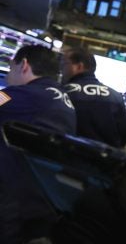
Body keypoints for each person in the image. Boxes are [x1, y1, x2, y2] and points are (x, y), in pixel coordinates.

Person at [0, 45, 76, 243]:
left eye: (11, 67)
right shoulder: (61, 97)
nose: (8, 75)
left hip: (13, 204)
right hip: (42, 202)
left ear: (24, 65)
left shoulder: (22, 95)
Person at [61, 47, 126, 148]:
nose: (62, 69)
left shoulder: (64, 92)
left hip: (69, 157)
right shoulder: (116, 96)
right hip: (105, 160)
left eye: (64, 64)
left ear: (79, 66)